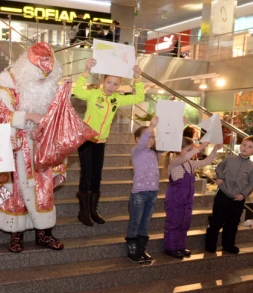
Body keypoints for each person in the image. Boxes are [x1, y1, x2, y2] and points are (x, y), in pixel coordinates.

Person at [0, 42, 65, 253]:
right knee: (18, 191)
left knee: (43, 191)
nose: (43, 78)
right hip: (18, 149)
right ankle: (17, 234)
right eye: (39, 73)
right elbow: (1, 115)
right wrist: (29, 118)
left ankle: (44, 233)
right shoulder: (9, 85)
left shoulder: (50, 86)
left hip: (42, 149)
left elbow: (55, 117)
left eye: (47, 75)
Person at [72, 57, 145, 226]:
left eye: (115, 84)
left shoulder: (117, 99)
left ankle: (93, 210)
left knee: (97, 176)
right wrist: (86, 71)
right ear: (103, 81)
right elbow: (78, 92)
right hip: (86, 140)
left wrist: (138, 78)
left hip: (101, 142)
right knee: (87, 174)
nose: (112, 86)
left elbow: (139, 97)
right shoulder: (93, 94)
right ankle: (83, 212)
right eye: (109, 82)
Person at [163, 138, 221, 258]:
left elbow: (205, 161)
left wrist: (215, 150)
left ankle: (180, 245)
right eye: (189, 150)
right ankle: (171, 247)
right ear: (179, 150)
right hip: (176, 197)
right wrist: (199, 148)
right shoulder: (175, 162)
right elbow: (183, 158)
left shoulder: (189, 163)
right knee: (174, 222)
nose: (192, 152)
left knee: (185, 222)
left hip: (187, 198)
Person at [206, 136, 253, 254]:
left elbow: (251, 184)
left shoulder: (252, 167)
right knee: (217, 220)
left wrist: (243, 194)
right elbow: (219, 167)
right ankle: (210, 244)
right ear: (241, 145)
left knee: (232, 223)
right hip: (223, 195)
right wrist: (219, 177)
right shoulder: (230, 159)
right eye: (244, 145)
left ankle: (228, 245)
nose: (245, 148)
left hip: (238, 199)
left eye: (250, 147)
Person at [126, 117, 161, 263]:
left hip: (152, 193)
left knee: (145, 223)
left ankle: (141, 249)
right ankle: (132, 250)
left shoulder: (155, 153)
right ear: (137, 139)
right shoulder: (136, 151)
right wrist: (151, 126)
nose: (151, 139)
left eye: (153, 137)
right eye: (148, 136)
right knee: (135, 222)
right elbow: (142, 143)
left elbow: (169, 142)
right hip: (139, 194)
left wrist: (179, 127)